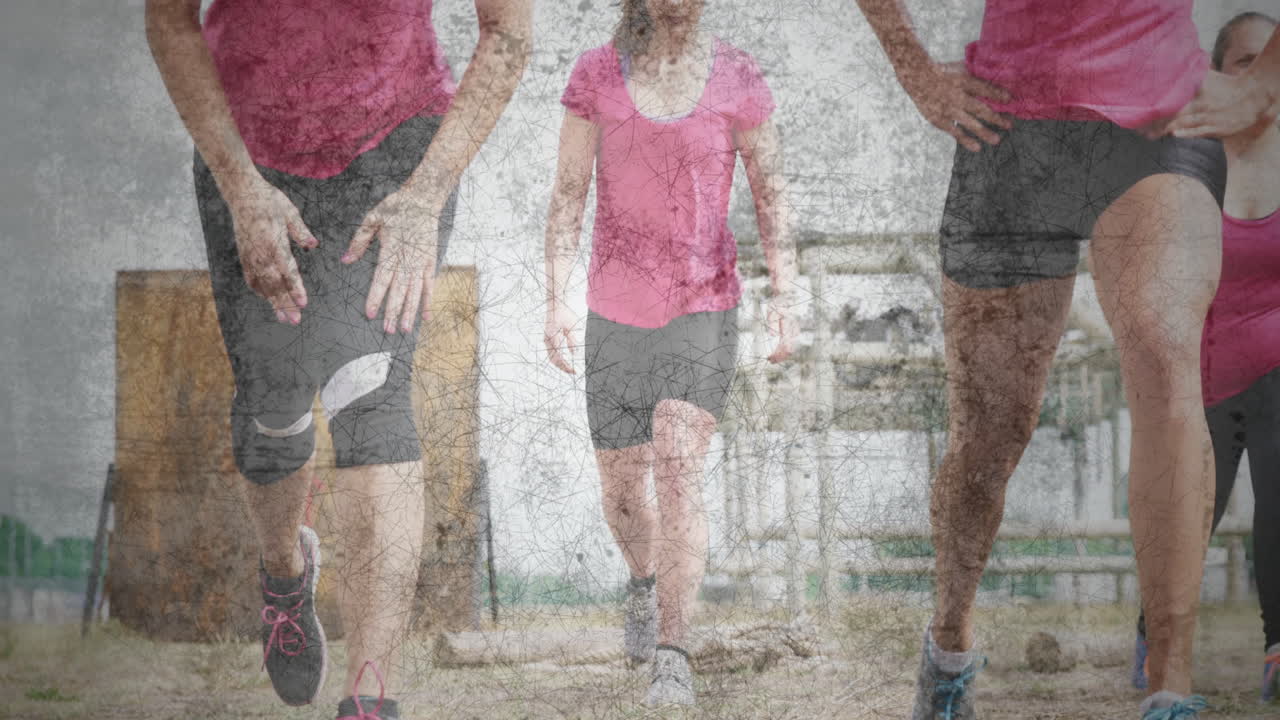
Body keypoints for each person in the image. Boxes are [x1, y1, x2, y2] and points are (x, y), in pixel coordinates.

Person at [851, 0, 1280, 717]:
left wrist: (1263, 82)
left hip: (1162, 123)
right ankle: (949, 641)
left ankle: (1170, 689)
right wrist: (914, 69)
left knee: (1163, 343)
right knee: (990, 435)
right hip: (1011, 128)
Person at [144, 1, 531, 718]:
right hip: (249, 152)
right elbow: (170, 20)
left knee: (370, 389)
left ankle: (371, 695)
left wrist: (426, 193)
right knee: (274, 404)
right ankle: (285, 576)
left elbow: (507, 32)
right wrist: (242, 190)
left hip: (395, 143)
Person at [543, 0, 797, 707]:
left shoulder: (739, 77)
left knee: (679, 464)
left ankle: (673, 653)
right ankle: (644, 583)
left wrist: (786, 294)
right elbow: (567, 193)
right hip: (613, 311)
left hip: (703, 304)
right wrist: (554, 299)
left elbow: (770, 191)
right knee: (624, 494)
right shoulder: (596, 75)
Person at [1129, 11, 1280, 706]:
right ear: (1219, 73)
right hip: (1203, 368)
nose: (1256, 74)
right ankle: (1156, 637)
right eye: (1240, 61)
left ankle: (1279, 648)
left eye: (1266, 60)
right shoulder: (1186, 155)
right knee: (1190, 508)